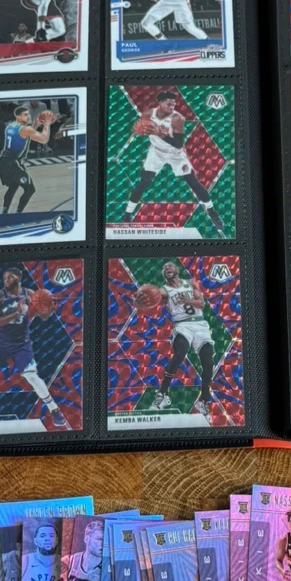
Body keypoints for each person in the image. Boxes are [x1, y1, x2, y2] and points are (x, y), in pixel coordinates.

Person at [0, 265, 66, 429]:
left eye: (10, 277)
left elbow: (43, 316)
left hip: (21, 344)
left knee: (32, 377)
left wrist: (49, 308)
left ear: (19, 278)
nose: (6, 280)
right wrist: (17, 313)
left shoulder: (30, 294)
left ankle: (54, 410)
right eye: (5, 278)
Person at [119, 89, 226, 233]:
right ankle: (127, 214)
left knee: (192, 182)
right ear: (160, 103)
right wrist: (139, 129)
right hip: (156, 151)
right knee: (144, 181)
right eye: (169, 104)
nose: (172, 106)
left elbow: (178, 144)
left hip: (175, 154)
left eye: (174, 104)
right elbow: (138, 128)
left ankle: (212, 212)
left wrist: (160, 134)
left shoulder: (177, 119)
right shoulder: (148, 114)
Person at [147, 261, 216, 421]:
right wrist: (145, 296)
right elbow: (154, 296)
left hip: (200, 324)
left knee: (208, 362)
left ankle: (203, 400)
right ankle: (163, 394)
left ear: (177, 270)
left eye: (170, 266)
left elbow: (201, 304)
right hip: (182, 325)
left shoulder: (191, 284)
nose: (167, 268)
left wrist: (187, 300)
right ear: (164, 274)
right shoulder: (164, 290)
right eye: (165, 268)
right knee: (180, 352)